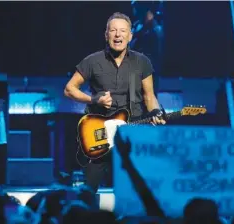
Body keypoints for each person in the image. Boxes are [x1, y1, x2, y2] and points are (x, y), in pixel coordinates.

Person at [64, 12, 166, 193]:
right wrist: (93, 99)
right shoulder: (92, 61)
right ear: (106, 35)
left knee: (135, 190)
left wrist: (156, 113)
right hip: (99, 135)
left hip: (131, 135)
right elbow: (69, 89)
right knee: (89, 191)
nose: (118, 35)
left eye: (122, 31)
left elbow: (149, 97)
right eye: (113, 31)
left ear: (130, 36)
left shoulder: (142, 62)